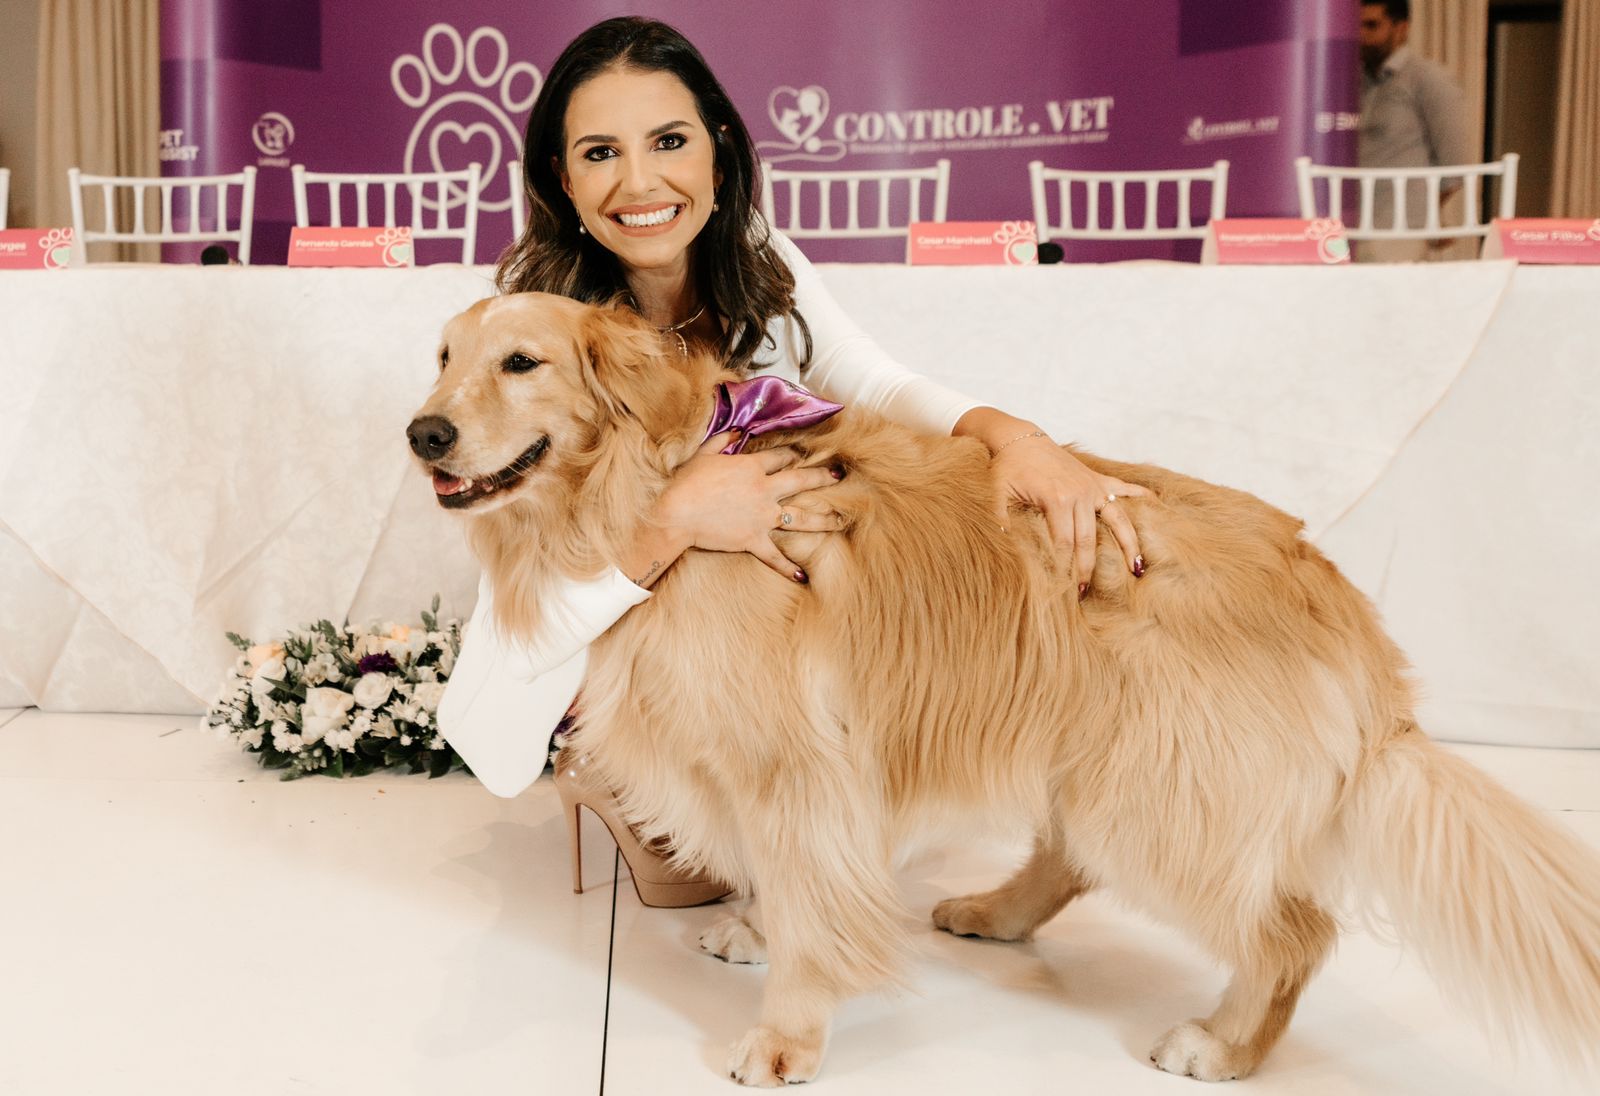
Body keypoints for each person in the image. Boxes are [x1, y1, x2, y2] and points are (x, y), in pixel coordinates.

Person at [436, 16, 1149, 896]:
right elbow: (528, 601)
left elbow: (871, 379)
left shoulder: (757, 262)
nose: (639, 181)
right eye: (598, 152)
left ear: (719, 152)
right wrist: (673, 517)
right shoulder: (529, 332)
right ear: (562, 177)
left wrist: (1018, 439)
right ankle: (603, 759)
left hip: (760, 645)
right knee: (700, 874)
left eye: (668, 141)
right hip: (617, 637)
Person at [1357, 0, 1477, 262]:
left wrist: (1429, 215)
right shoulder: (1354, 81)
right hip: (1351, 227)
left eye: (1372, 25)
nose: (1361, 35)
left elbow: (1455, 163)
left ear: (1402, 28)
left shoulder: (1428, 79)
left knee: (1389, 303)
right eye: (1357, 26)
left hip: (1401, 230)